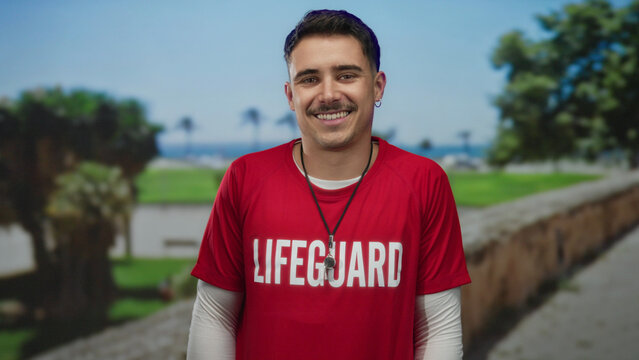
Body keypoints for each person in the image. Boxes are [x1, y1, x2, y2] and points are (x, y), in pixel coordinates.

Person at [187, 9, 471, 360]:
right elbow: (215, 315)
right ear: (291, 96)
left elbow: (439, 327)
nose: (329, 94)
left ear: (377, 85)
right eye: (309, 79)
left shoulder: (424, 181)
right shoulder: (245, 178)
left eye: (346, 75)